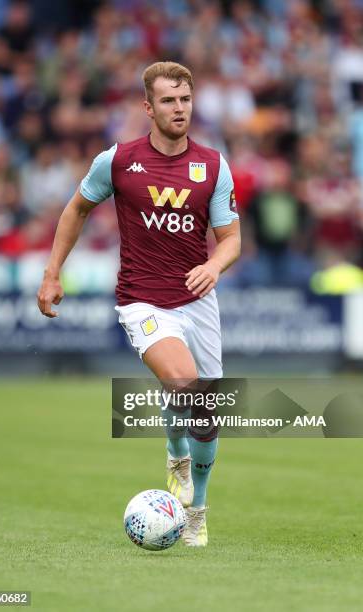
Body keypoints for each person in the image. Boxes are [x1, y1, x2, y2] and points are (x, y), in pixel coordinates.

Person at [37, 61, 241, 547]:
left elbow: (231, 239)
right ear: (148, 107)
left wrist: (214, 267)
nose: (179, 109)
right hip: (143, 300)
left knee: (206, 414)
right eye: (169, 100)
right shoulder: (118, 161)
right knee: (185, 384)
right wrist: (51, 272)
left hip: (197, 300)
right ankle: (176, 453)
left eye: (186, 100)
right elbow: (77, 208)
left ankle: (197, 509)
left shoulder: (212, 165)